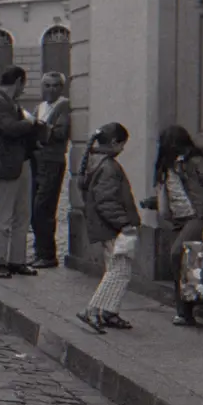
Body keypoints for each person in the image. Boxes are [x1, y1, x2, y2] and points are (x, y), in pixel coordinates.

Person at [139, 125, 203, 326]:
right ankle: (185, 311)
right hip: (180, 219)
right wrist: (154, 202)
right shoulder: (169, 166)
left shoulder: (195, 162)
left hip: (197, 216)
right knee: (183, 262)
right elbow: (176, 194)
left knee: (177, 254)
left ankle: (188, 309)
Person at [0, 66, 44, 279]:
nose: (23, 90)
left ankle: (18, 260)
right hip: (5, 166)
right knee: (3, 217)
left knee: (22, 216)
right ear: (17, 82)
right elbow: (10, 128)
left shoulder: (12, 102)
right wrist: (30, 122)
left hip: (22, 163)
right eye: (22, 85)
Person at [78, 122, 140, 333]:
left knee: (114, 268)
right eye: (122, 144)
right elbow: (107, 201)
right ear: (114, 142)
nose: (123, 149)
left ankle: (108, 310)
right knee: (119, 270)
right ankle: (93, 309)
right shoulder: (109, 167)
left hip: (104, 226)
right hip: (113, 227)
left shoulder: (95, 162)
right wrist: (124, 224)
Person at [30, 72, 72, 268]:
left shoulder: (63, 106)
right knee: (34, 208)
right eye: (47, 85)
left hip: (53, 162)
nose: (51, 89)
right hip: (37, 162)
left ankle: (48, 255)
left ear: (61, 88)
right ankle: (40, 251)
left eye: (55, 86)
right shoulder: (39, 107)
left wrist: (41, 132)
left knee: (43, 208)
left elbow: (61, 132)